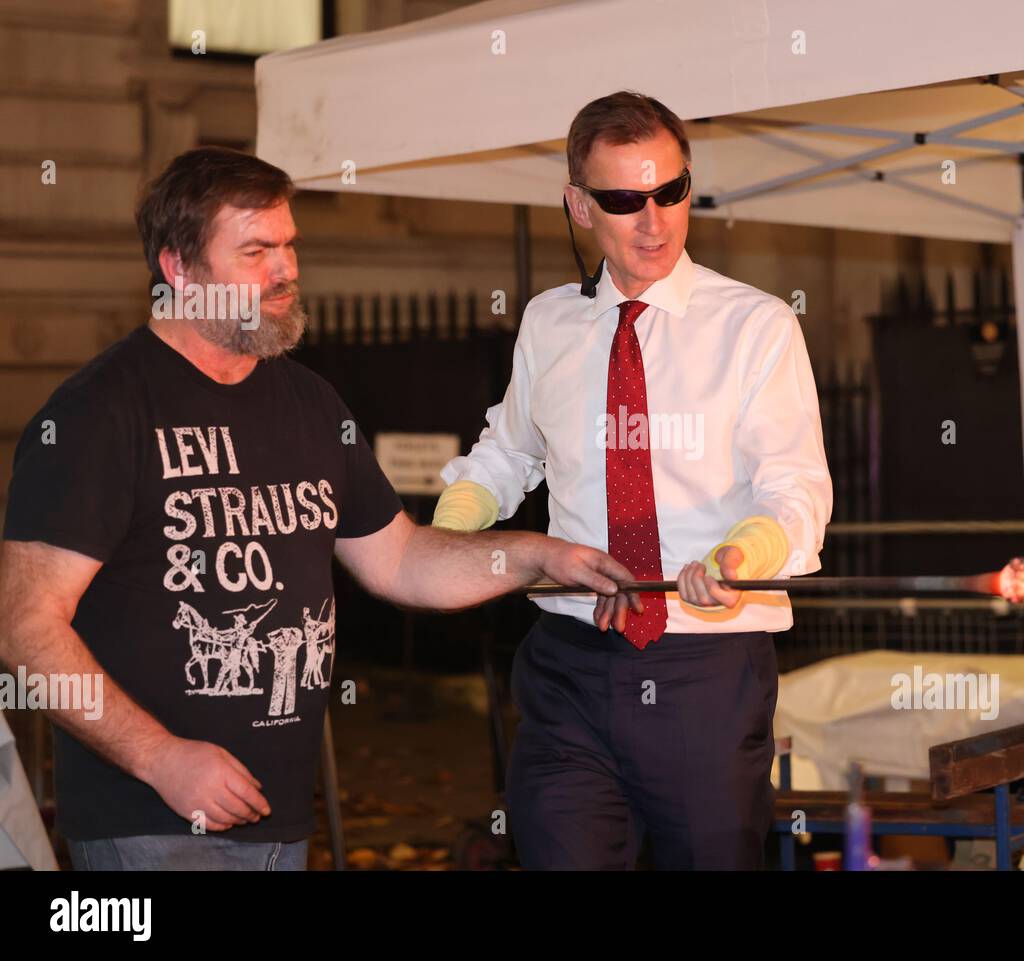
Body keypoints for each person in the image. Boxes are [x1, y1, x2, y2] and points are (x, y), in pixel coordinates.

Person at [0, 146, 636, 871]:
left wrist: (535, 556)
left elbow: (399, 559)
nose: (286, 270)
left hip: (280, 815)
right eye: (256, 251)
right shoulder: (100, 413)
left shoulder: (307, 403)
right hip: (153, 818)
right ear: (178, 269)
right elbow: (24, 628)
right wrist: (161, 759)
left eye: (290, 245)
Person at [433, 91, 832, 869]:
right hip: (568, 663)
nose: (654, 221)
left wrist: (742, 556)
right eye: (624, 200)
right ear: (578, 206)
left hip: (704, 669)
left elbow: (795, 487)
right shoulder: (550, 322)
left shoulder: (757, 326)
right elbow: (509, 454)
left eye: (671, 191)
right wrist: (446, 533)